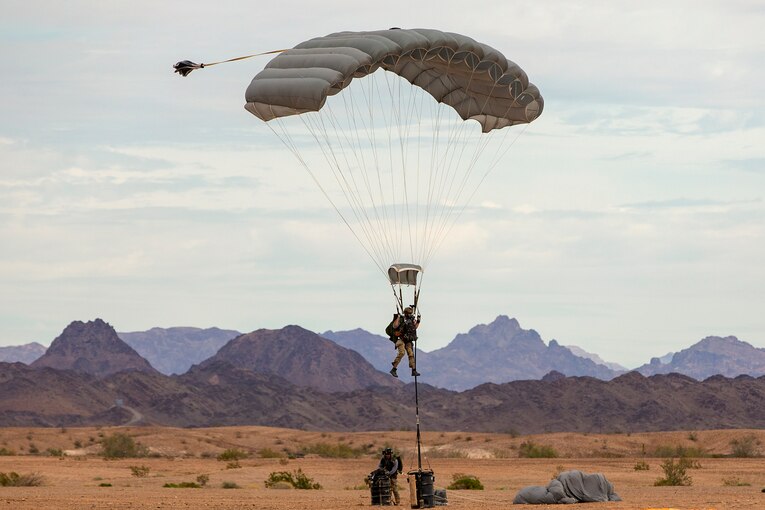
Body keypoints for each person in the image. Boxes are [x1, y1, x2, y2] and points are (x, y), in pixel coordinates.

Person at [387, 306, 421, 377]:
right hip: (401, 340)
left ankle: (413, 370)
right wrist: (398, 317)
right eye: (409, 313)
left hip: (408, 340)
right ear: (406, 313)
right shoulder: (401, 320)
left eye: (410, 313)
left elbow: (414, 328)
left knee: (411, 354)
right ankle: (394, 369)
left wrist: (418, 321)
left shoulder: (411, 320)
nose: (410, 315)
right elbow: (395, 326)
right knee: (402, 352)